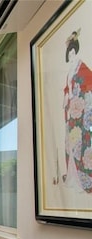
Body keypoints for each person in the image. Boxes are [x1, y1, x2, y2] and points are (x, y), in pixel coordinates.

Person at [62, 29, 92, 193]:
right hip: (71, 110)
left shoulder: (81, 65)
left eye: (73, 51)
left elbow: (89, 81)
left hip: (79, 110)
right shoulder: (70, 69)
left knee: (80, 143)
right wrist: (67, 97)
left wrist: (77, 95)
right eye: (70, 52)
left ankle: (83, 179)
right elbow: (67, 88)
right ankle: (73, 177)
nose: (72, 54)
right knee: (71, 143)